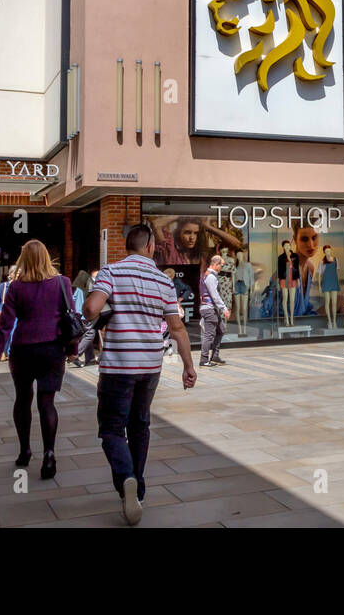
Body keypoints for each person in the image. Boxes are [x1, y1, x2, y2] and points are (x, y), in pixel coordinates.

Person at [83, 224, 196, 525]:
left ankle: (126, 479)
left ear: (128, 247)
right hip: (149, 367)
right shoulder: (163, 280)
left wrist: (89, 307)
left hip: (118, 366)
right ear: (149, 248)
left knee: (110, 428)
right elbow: (176, 328)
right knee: (140, 425)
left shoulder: (111, 272)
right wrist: (188, 366)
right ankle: (139, 489)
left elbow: (93, 308)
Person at [0, 240, 74, 480]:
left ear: (23, 260)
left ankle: (24, 450)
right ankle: (49, 454)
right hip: (52, 349)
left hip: (23, 350)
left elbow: (5, 324)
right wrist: (73, 349)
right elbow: (71, 318)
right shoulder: (62, 283)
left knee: (23, 400)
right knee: (47, 402)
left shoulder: (15, 287)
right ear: (47, 257)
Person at [198, 254, 230, 367]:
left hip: (209, 308)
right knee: (209, 335)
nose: (222, 267)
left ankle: (215, 356)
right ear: (215, 264)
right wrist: (224, 309)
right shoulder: (210, 277)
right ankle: (204, 359)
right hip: (209, 308)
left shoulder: (205, 275)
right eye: (221, 265)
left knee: (221, 329)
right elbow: (215, 295)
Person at [0, 267, 20, 361]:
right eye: (16, 272)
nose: (18, 274)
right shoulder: (3, 286)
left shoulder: (22, 286)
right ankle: (3, 352)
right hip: (5, 314)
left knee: (14, 332)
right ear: (10, 274)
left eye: (20, 272)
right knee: (4, 334)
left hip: (17, 314)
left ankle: (11, 352)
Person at [71, 271, 98, 366]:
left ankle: (90, 359)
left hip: (80, 315)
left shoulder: (79, 288)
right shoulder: (87, 288)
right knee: (90, 333)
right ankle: (76, 354)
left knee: (85, 334)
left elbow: (73, 299)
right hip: (84, 315)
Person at [319, 245, 340, 328]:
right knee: (327, 302)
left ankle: (334, 321)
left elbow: (337, 273)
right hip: (326, 282)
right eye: (326, 251)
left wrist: (337, 282)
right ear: (324, 252)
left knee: (334, 302)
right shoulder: (322, 261)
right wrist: (320, 286)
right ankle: (329, 321)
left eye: (329, 250)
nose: (328, 252)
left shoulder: (335, 260)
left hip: (334, 282)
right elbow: (320, 274)